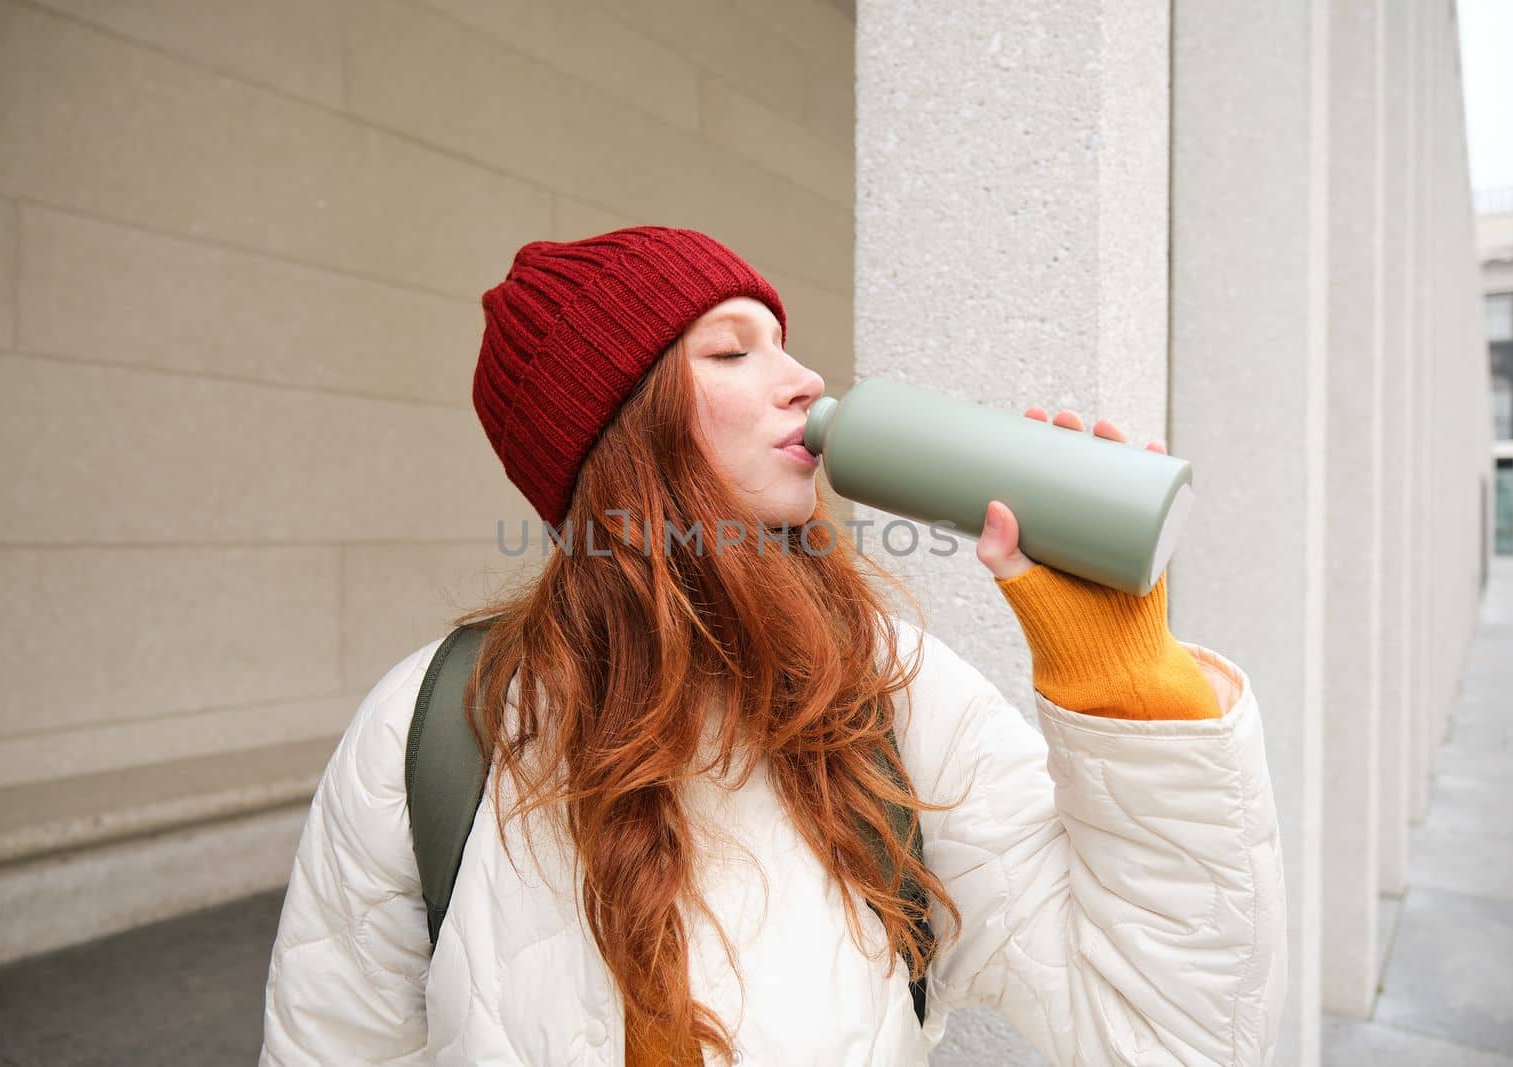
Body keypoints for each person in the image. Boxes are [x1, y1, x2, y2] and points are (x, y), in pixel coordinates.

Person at [259, 226, 1285, 1066]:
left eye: (786, 343)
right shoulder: (436, 726)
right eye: (732, 348)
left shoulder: (892, 692)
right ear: (617, 432)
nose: (803, 378)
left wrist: (1128, 685)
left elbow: (1175, 1037)